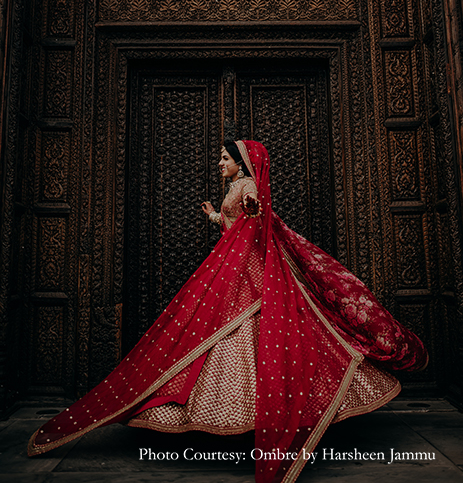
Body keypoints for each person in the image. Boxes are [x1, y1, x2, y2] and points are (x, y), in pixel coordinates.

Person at [28, 140, 427, 483]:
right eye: (220, 158)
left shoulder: (249, 184)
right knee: (234, 331)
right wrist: (216, 217)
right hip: (235, 265)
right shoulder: (237, 184)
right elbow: (237, 221)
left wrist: (252, 207)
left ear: (243, 162)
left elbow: (254, 213)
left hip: (250, 270)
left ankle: (256, 415)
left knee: (254, 328)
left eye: (225, 158)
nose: (219, 163)